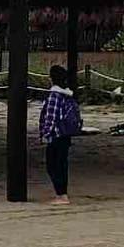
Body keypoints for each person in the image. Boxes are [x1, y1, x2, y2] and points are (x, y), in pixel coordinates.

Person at [39, 64, 82, 204]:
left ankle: (61, 195)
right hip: (65, 134)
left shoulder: (54, 96)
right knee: (62, 164)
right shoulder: (67, 95)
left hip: (56, 135)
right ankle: (63, 194)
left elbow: (51, 117)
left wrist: (45, 134)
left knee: (53, 166)